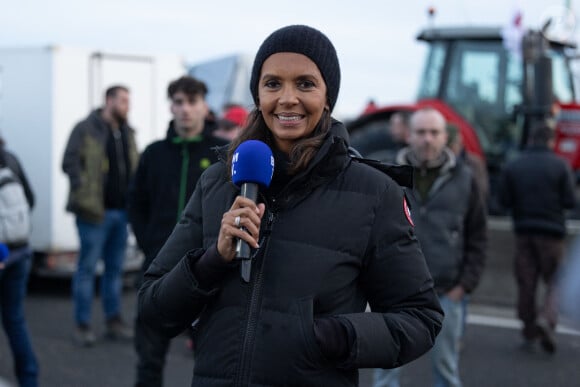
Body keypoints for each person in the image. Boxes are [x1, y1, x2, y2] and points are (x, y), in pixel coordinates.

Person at [138, 24, 443, 386]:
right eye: (272, 84)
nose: (287, 98)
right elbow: (153, 309)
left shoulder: (374, 192)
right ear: (258, 94)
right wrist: (211, 261)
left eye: (305, 84)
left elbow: (420, 318)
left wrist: (333, 337)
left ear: (328, 96)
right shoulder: (218, 181)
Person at [374, 107, 488, 387]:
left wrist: (464, 286)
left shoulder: (464, 179)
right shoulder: (387, 175)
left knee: (446, 371)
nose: (427, 139)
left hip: (446, 292)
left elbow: (477, 237)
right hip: (393, 293)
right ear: (408, 136)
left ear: (444, 137)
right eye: (421, 132)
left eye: (434, 132)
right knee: (386, 371)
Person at [128, 75, 227, 387]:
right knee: (149, 359)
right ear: (171, 106)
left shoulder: (221, 156)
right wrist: (150, 246)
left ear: (204, 107)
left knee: (211, 362)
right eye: (179, 102)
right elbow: (136, 204)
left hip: (207, 272)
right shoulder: (154, 153)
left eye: (192, 102)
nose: (185, 109)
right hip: (159, 267)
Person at [62, 85, 139, 346]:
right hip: (93, 212)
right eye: (123, 100)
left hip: (121, 212)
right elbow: (68, 161)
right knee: (86, 269)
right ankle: (82, 325)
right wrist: (82, 189)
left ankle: (113, 321)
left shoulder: (126, 132)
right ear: (109, 100)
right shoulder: (85, 128)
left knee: (115, 271)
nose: (127, 105)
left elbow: (133, 165)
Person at [498, 123, 576, 354]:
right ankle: (547, 318)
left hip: (523, 232)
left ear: (530, 139)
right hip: (552, 235)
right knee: (555, 281)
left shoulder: (513, 165)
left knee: (526, 281)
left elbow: (502, 202)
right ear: (551, 141)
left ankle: (528, 329)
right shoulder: (561, 166)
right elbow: (570, 201)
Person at [0, 137, 39, 386]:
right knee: (15, 320)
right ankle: (29, 379)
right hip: (20, 252)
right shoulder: (10, 158)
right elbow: (30, 200)